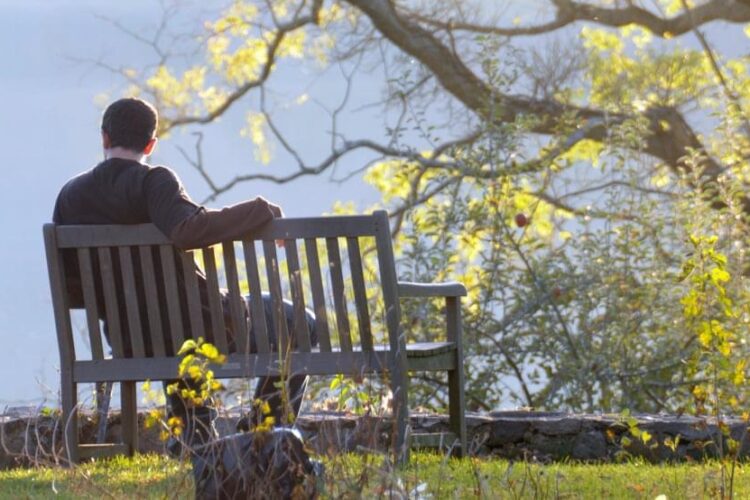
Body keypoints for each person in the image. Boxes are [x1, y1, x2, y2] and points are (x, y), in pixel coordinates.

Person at [53, 97, 312, 451]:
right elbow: (187, 229)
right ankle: (259, 439)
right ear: (150, 144)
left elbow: (73, 290)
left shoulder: (70, 196)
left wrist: (124, 300)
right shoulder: (155, 181)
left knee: (177, 322)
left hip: (128, 340)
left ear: (104, 138)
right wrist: (257, 210)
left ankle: (198, 439)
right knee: (299, 322)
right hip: (197, 329)